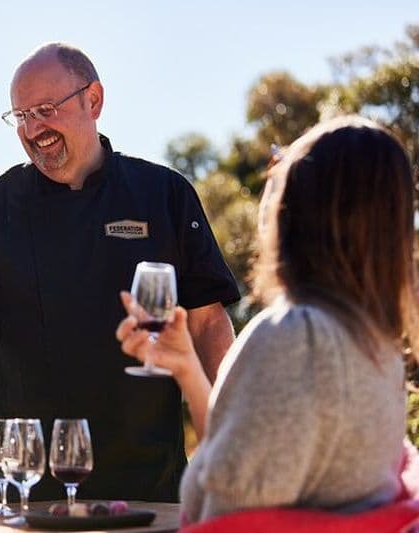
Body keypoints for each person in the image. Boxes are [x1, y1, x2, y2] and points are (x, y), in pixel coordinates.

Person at [0, 42, 240, 501]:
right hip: (29, 490)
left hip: (151, 487)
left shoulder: (164, 194)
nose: (33, 129)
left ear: (93, 100)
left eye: (45, 110)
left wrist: (235, 431)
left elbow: (207, 324)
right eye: (21, 116)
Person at [117, 115, 419, 523]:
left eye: (280, 166)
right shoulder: (375, 342)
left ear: (299, 208)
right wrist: (188, 368)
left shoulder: (296, 337)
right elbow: (246, 460)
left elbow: (225, 507)